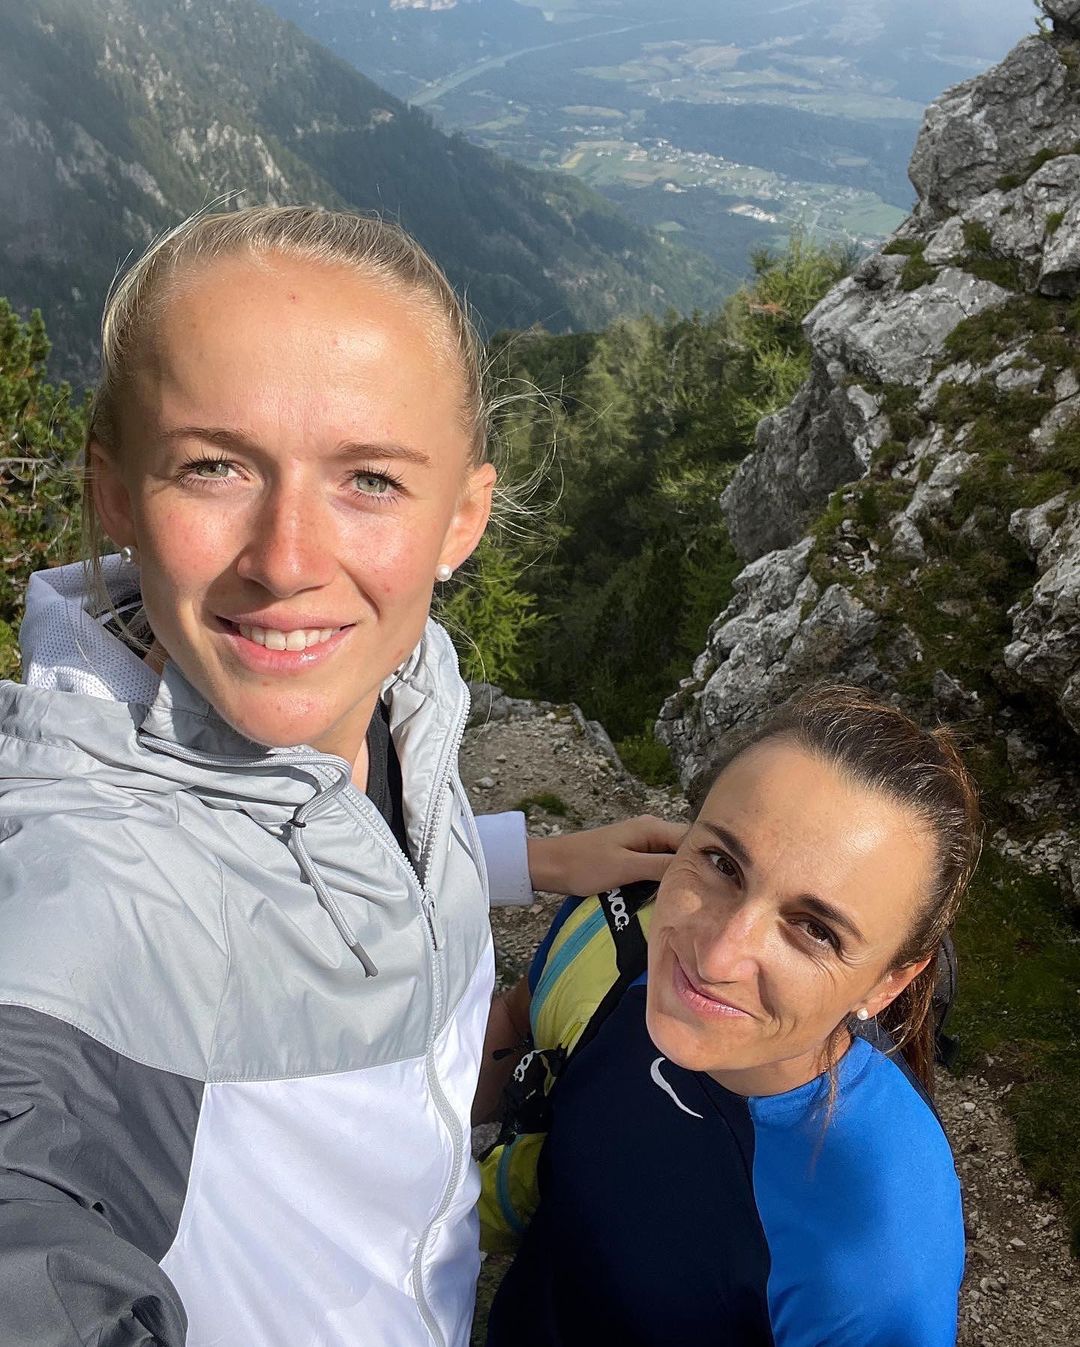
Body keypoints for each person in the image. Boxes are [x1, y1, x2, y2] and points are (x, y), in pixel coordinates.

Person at [0, 206, 682, 1347]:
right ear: (116, 495)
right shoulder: (83, 898)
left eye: (369, 480)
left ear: (459, 519)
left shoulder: (404, 696)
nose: (289, 562)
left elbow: (328, 834)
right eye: (215, 466)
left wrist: (526, 858)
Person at [481, 686, 978, 1347]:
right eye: (722, 863)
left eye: (815, 929)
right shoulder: (621, 945)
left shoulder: (875, 1256)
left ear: (891, 981)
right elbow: (516, 1024)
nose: (715, 955)